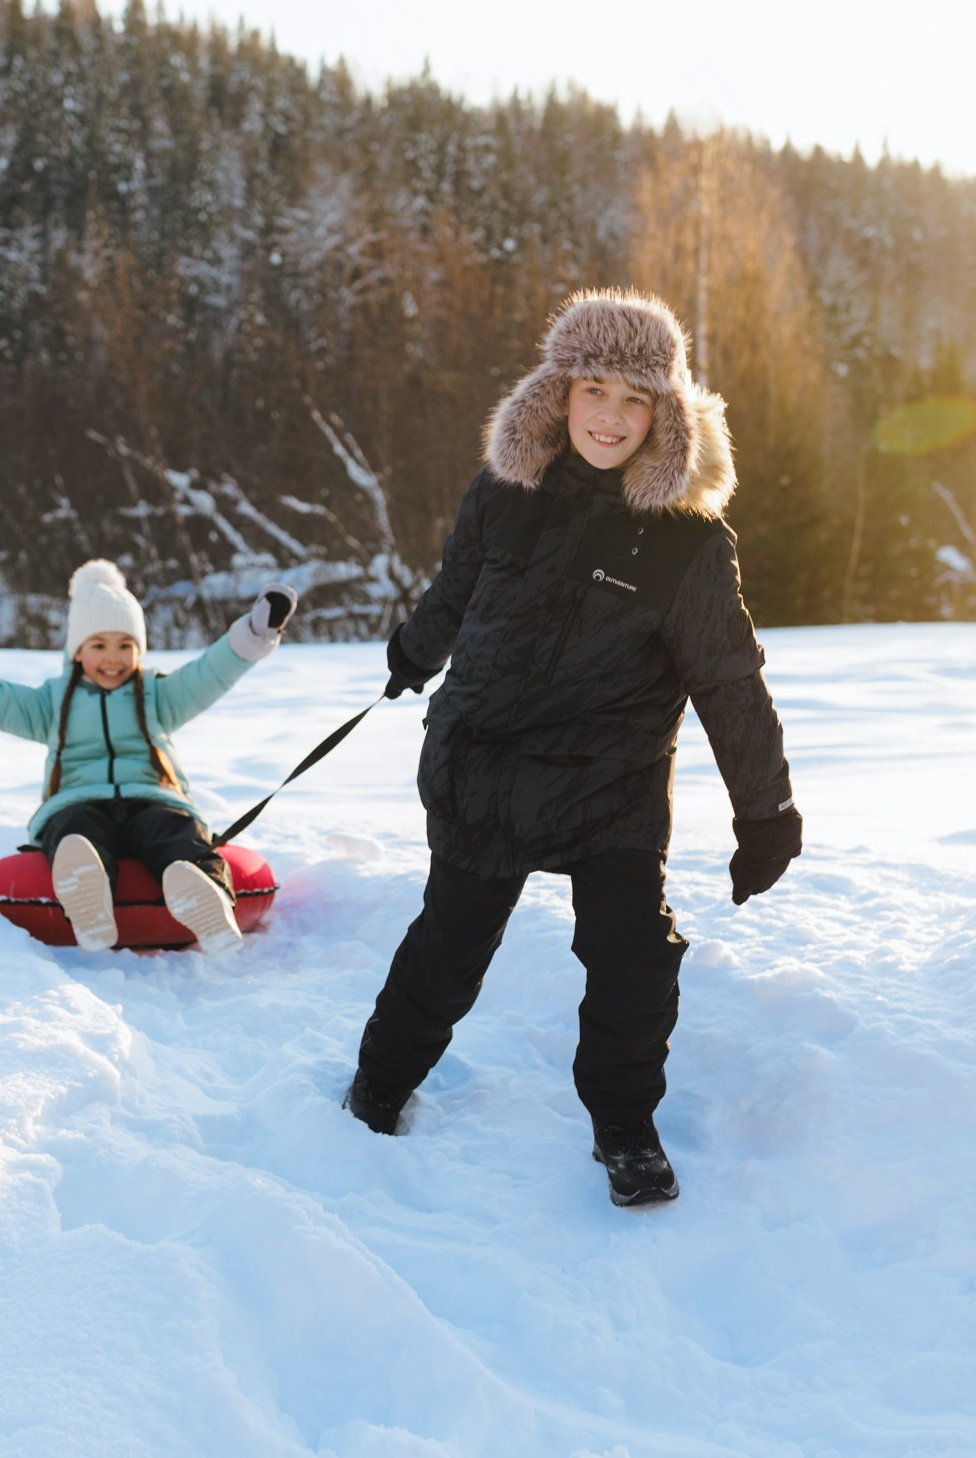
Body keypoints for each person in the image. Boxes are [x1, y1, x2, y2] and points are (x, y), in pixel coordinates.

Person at [342, 288, 802, 1208]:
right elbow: (456, 594)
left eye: (635, 400)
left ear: (663, 414)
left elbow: (728, 681)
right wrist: (412, 653)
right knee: (449, 946)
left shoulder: (689, 544)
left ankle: (625, 1128)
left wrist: (766, 810)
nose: (610, 416)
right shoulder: (504, 492)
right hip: (486, 765)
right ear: (561, 392)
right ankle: (378, 1092)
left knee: (634, 959)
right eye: (596, 389)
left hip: (611, 785)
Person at [0, 559, 295, 952]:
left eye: (125, 645)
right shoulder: (52, 703)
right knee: (75, 833)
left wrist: (257, 632)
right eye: (98, 645)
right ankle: (89, 899)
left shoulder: (159, 695)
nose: (112, 658)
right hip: (78, 802)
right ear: (76, 650)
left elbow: (210, 672)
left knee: (176, 833)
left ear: (140, 650)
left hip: (153, 799)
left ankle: (206, 896)